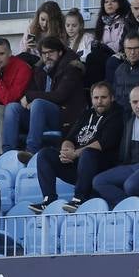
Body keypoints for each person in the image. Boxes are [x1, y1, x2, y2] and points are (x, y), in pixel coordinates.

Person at [34, 82, 125, 212]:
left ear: (112, 98)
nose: (99, 101)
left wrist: (75, 153)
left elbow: (103, 143)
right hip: (78, 165)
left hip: (100, 167)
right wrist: (65, 151)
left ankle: (79, 198)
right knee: (45, 154)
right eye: (96, 98)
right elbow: (69, 138)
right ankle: (49, 199)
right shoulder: (87, 114)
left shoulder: (117, 114)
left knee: (89, 152)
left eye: (103, 97)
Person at [91, 85, 139, 205]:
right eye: (135, 102)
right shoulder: (128, 121)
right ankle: (128, 205)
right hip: (131, 166)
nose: (138, 106)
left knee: (130, 185)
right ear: (130, 103)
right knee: (98, 181)